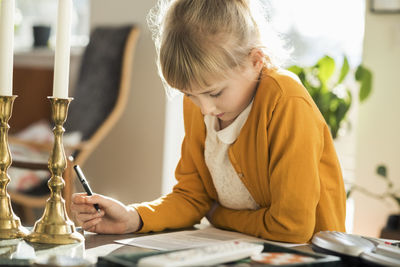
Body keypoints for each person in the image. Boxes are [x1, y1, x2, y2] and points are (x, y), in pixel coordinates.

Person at [71, 0, 346, 243]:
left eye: (214, 93)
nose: (204, 108)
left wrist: (219, 215)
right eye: (189, 94)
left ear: (256, 61)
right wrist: (132, 217)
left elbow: (291, 227)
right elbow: (193, 197)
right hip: (238, 248)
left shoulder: (286, 101)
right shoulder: (203, 102)